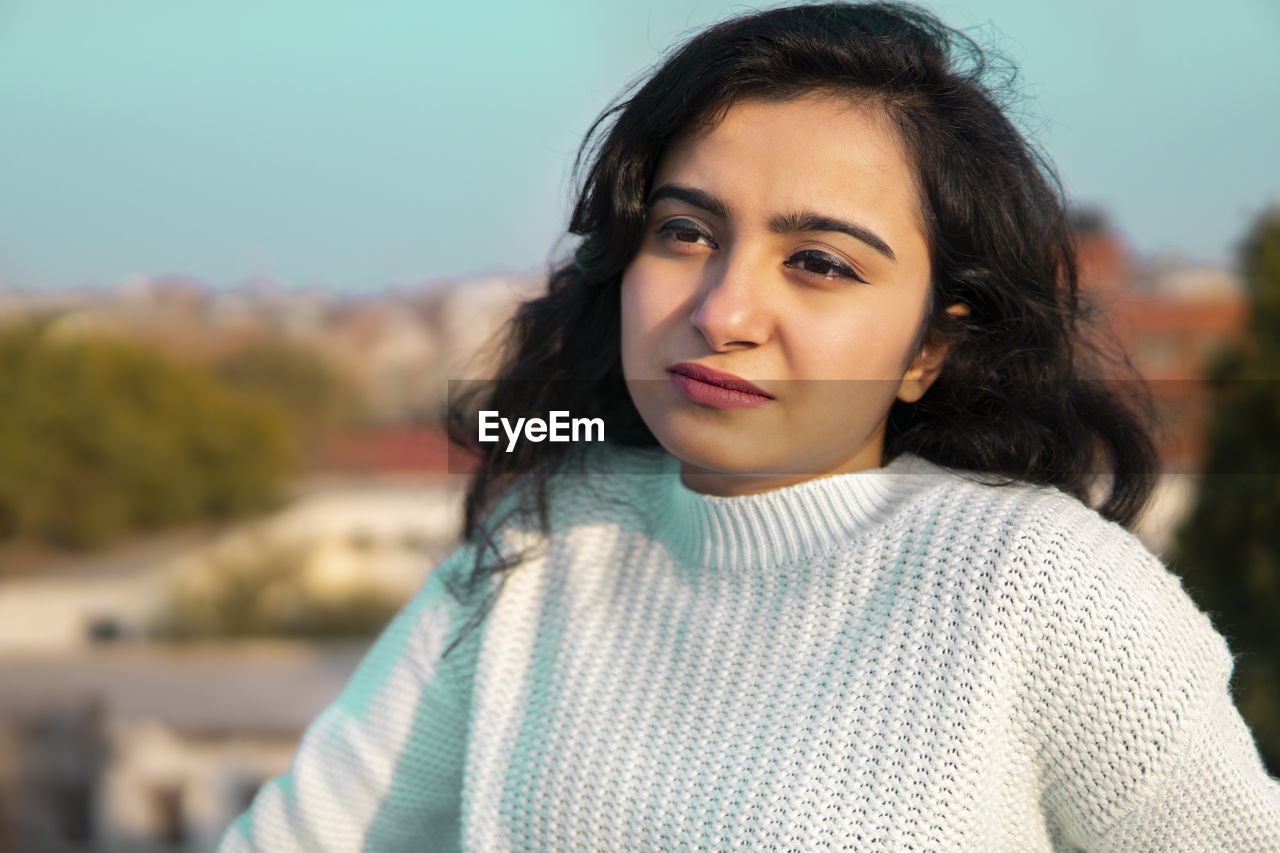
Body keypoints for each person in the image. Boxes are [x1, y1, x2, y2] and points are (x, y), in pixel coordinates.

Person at [219, 3, 1280, 850]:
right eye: (685, 232)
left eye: (817, 262)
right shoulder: (539, 546)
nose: (721, 312)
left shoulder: (1039, 587)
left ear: (929, 346)